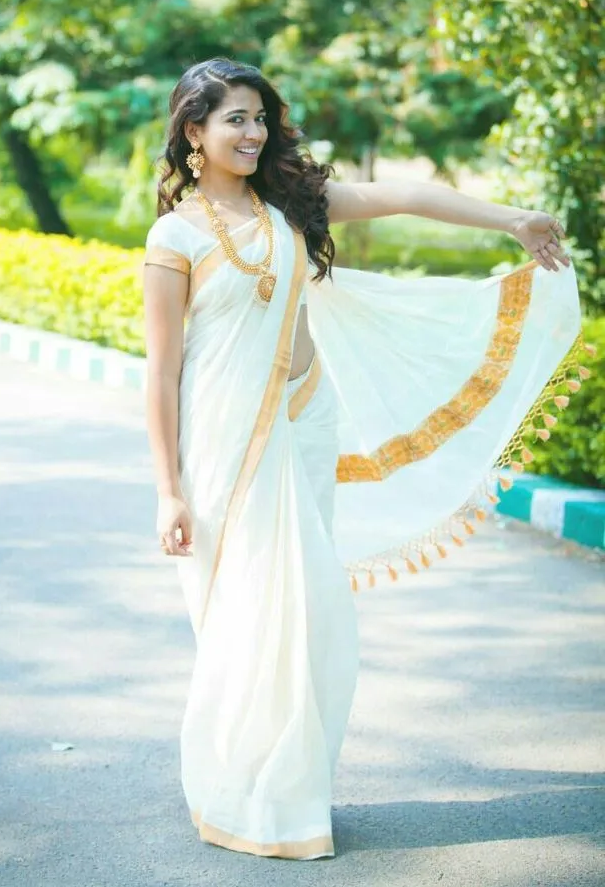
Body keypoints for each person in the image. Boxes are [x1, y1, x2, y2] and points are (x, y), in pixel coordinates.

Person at [141, 58, 588, 859]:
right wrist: (167, 491)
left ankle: (291, 790)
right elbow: (162, 372)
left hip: (301, 427)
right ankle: (241, 788)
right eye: (235, 118)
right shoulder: (173, 237)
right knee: (244, 619)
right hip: (220, 448)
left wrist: (513, 219)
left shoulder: (288, 202)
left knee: (312, 617)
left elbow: (405, 195)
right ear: (194, 133)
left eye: (259, 117)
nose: (254, 132)